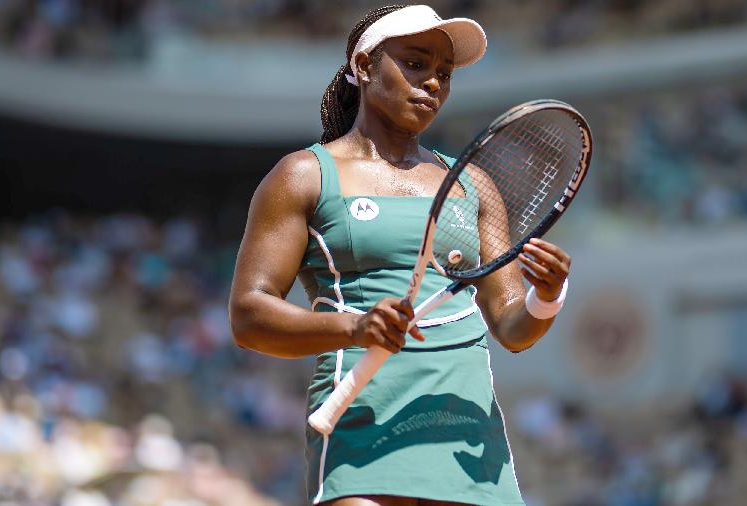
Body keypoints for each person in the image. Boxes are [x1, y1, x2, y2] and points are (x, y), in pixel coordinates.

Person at [229, 5, 572, 505]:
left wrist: (548, 295)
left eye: (444, 74)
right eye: (415, 64)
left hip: (465, 434)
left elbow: (514, 329)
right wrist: (356, 327)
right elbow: (248, 316)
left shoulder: (473, 185)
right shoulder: (303, 176)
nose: (432, 82)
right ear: (365, 66)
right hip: (361, 420)